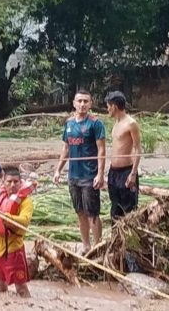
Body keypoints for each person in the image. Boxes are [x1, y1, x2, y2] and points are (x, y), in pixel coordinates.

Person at [53, 89, 106, 254]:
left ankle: (97, 247)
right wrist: (58, 170)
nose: (82, 104)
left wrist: (100, 174)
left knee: (93, 213)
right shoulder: (69, 124)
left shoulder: (96, 123)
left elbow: (101, 150)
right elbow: (66, 148)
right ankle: (86, 246)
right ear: (74, 103)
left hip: (90, 176)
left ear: (90, 104)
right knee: (80, 213)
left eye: (86, 101)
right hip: (73, 176)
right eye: (79, 101)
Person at [0, 166, 34, 297]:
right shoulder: (0, 200)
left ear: (20, 183)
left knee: (21, 288)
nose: (12, 185)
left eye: (16, 182)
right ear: (3, 183)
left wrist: (6, 217)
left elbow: (25, 220)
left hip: (13, 249)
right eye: (9, 182)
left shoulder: (26, 202)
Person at [105, 91, 142, 221]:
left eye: (108, 106)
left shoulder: (131, 123)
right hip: (113, 172)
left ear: (114, 106)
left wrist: (133, 173)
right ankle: (116, 238)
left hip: (126, 171)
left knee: (129, 209)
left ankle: (130, 238)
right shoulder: (116, 123)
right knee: (115, 208)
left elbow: (138, 149)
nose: (107, 109)